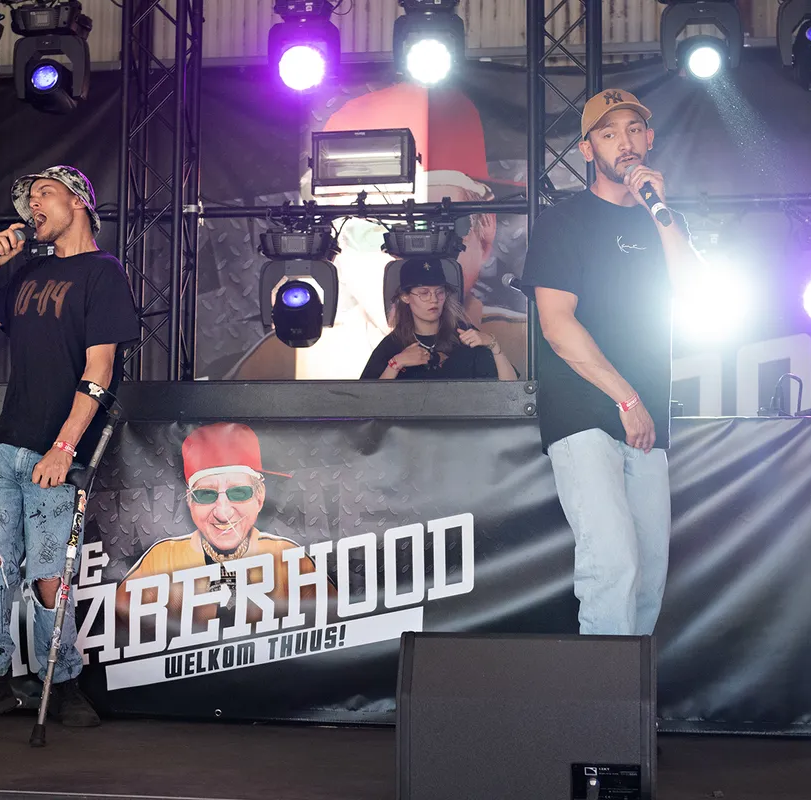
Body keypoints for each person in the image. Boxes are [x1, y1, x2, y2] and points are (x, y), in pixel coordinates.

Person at [0, 166, 139, 728]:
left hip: (58, 447)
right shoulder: (25, 272)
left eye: (45, 194)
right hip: (8, 443)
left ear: (79, 201)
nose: (33, 206)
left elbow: (100, 369)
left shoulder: (103, 272)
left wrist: (64, 447)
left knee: (49, 570)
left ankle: (61, 682)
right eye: (29, 200)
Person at [520, 90, 701, 637]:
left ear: (650, 138)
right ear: (587, 148)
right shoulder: (564, 222)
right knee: (612, 562)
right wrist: (627, 399)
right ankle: (603, 693)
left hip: (646, 419)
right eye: (608, 132)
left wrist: (661, 214)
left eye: (634, 129)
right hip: (586, 412)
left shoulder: (665, 221)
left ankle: (630, 685)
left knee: (648, 575)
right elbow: (558, 327)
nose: (625, 142)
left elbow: (694, 294)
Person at [225, 83, 527, 380]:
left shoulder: (525, 343)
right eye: (366, 232)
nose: (396, 258)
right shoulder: (281, 362)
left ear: (485, 226)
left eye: (425, 227)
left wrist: (494, 347)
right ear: (333, 247)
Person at [115, 423, 334, 627]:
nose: (222, 513)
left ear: (260, 497)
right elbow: (117, 631)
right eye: (205, 494)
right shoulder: (161, 560)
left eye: (239, 492)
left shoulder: (289, 559)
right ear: (190, 501)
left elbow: (334, 626)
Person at [360, 257, 516, 380]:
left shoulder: (465, 335)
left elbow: (511, 391)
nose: (433, 299)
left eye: (439, 292)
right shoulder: (392, 345)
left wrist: (493, 344)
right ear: (405, 297)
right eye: (424, 293)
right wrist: (396, 364)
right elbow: (367, 403)